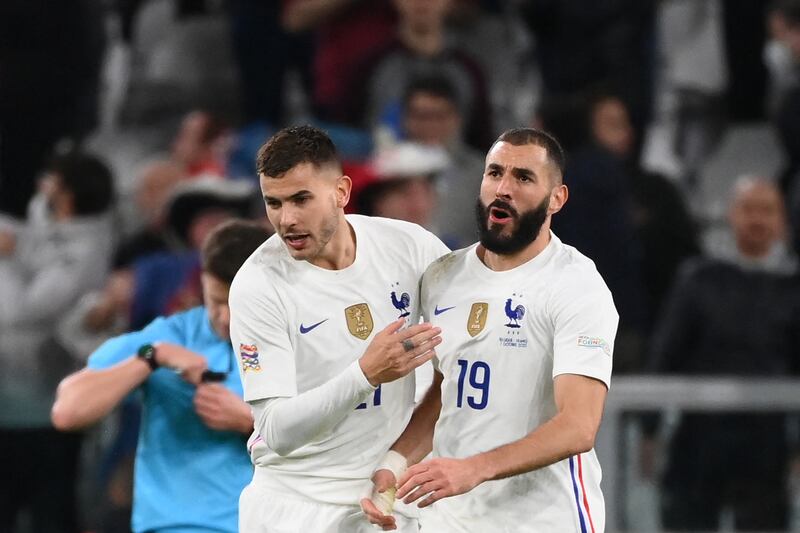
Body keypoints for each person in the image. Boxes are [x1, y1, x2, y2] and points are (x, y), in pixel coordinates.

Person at [362, 127, 619, 532]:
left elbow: (579, 426)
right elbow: (447, 392)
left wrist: (475, 469)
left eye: (523, 177)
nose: (503, 188)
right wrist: (393, 466)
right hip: (452, 517)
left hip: (543, 519)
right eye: (494, 172)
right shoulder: (443, 277)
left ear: (557, 198)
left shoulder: (576, 285)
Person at [229, 125, 449, 532]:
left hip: (384, 499)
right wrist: (364, 375)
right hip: (295, 505)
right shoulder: (258, 285)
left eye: (301, 199)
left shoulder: (411, 247)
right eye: (273, 203)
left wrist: (395, 463)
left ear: (341, 192)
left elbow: (457, 373)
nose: (286, 219)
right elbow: (276, 430)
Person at [50, 219, 270, 533]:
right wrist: (152, 357)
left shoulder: (300, 341)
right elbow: (67, 412)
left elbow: (340, 444)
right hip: (177, 526)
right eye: (216, 301)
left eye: (237, 303)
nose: (225, 317)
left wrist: (251, 423)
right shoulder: (171, 336)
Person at [644, 177, 800, 531]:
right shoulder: (698, 278)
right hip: (700, 436)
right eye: (748, 209)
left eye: (768, 210)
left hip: (767, 438)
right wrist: (649, 428)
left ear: (782, 220)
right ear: (731, 215)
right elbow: (666, 354)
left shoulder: (793, 286)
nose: (757, 219)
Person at [0, 151, 115, 533]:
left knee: (51, 512)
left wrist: (7, 258)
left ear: (68, 194)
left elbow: (23, 310)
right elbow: (31, 243)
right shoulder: (45, 220)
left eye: (52, 179)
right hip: (9, 402)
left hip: (47, 403)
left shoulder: (86, 250)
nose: (42, 185)